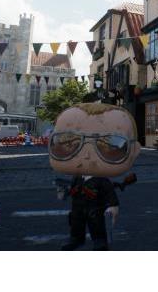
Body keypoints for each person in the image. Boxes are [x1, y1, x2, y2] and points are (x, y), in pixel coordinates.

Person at [49, 102, 140, 250]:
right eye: (73, 143)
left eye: (107, 146)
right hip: (78, 207)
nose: (86, 155)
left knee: (97, 226)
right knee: (76, 224)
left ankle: (99, 241)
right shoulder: (78, 177)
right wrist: (64, 192)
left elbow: (110, 194)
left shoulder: (101, 181)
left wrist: (112, 207)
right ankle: (76, 239)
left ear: (134, 151)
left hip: (95, 209)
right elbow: (72, 188)